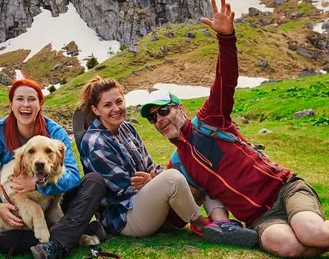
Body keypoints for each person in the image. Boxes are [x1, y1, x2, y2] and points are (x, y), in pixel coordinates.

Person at [140, 0, 329, 259]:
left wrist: (226, 39)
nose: (159, 120)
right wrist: (150, 190)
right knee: (286, 245)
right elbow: (179, 210)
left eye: (163, 111)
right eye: (153, 118)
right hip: (258, 218)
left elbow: (226, 80)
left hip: (285, 190)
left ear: (180, 108)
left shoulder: (210, 120)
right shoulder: (178, 163)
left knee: (311, 232)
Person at [77, 78, 255, 243]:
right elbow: (124, 187)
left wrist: (152, 178)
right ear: (95, 109)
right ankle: (202, 225)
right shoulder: (94, 142)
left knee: (198, 173)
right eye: (107, 105)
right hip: (126, 217)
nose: (116, 109)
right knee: (173, 178)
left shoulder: (127, 129)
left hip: (146, 206)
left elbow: (151, 166)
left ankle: (223, 224)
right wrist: (154, 180)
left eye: (119, 102)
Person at [0, 79, 107, 259]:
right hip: (19, 204)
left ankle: (57, 244)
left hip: (55, 200)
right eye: (19, 99)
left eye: (32, 99)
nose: (26, 105)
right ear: (11, 104)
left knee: (95, 181)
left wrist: (38, 185)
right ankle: (73, 231)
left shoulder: (55, 131)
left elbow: (72, 176)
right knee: (6, 242)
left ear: (40, 104)